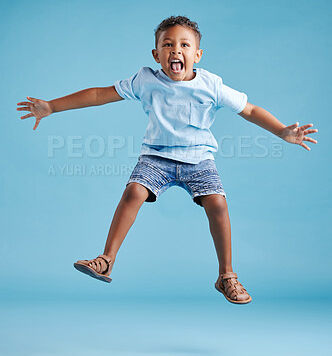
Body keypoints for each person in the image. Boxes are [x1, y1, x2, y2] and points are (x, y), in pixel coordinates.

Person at [17, 16, 318, 304]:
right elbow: (99, 94)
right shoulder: (146, 80)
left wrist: (282, 131)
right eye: (168, 44)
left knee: (218, 203)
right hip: (156, 157)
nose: (176, 50)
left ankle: (226, 275)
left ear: (197, 54)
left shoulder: (211, 85)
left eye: (185, 45)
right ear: (156, 53)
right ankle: (107, 260)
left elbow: (249, 110)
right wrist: (52, 107)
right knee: (134, 191)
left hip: (199, 159)